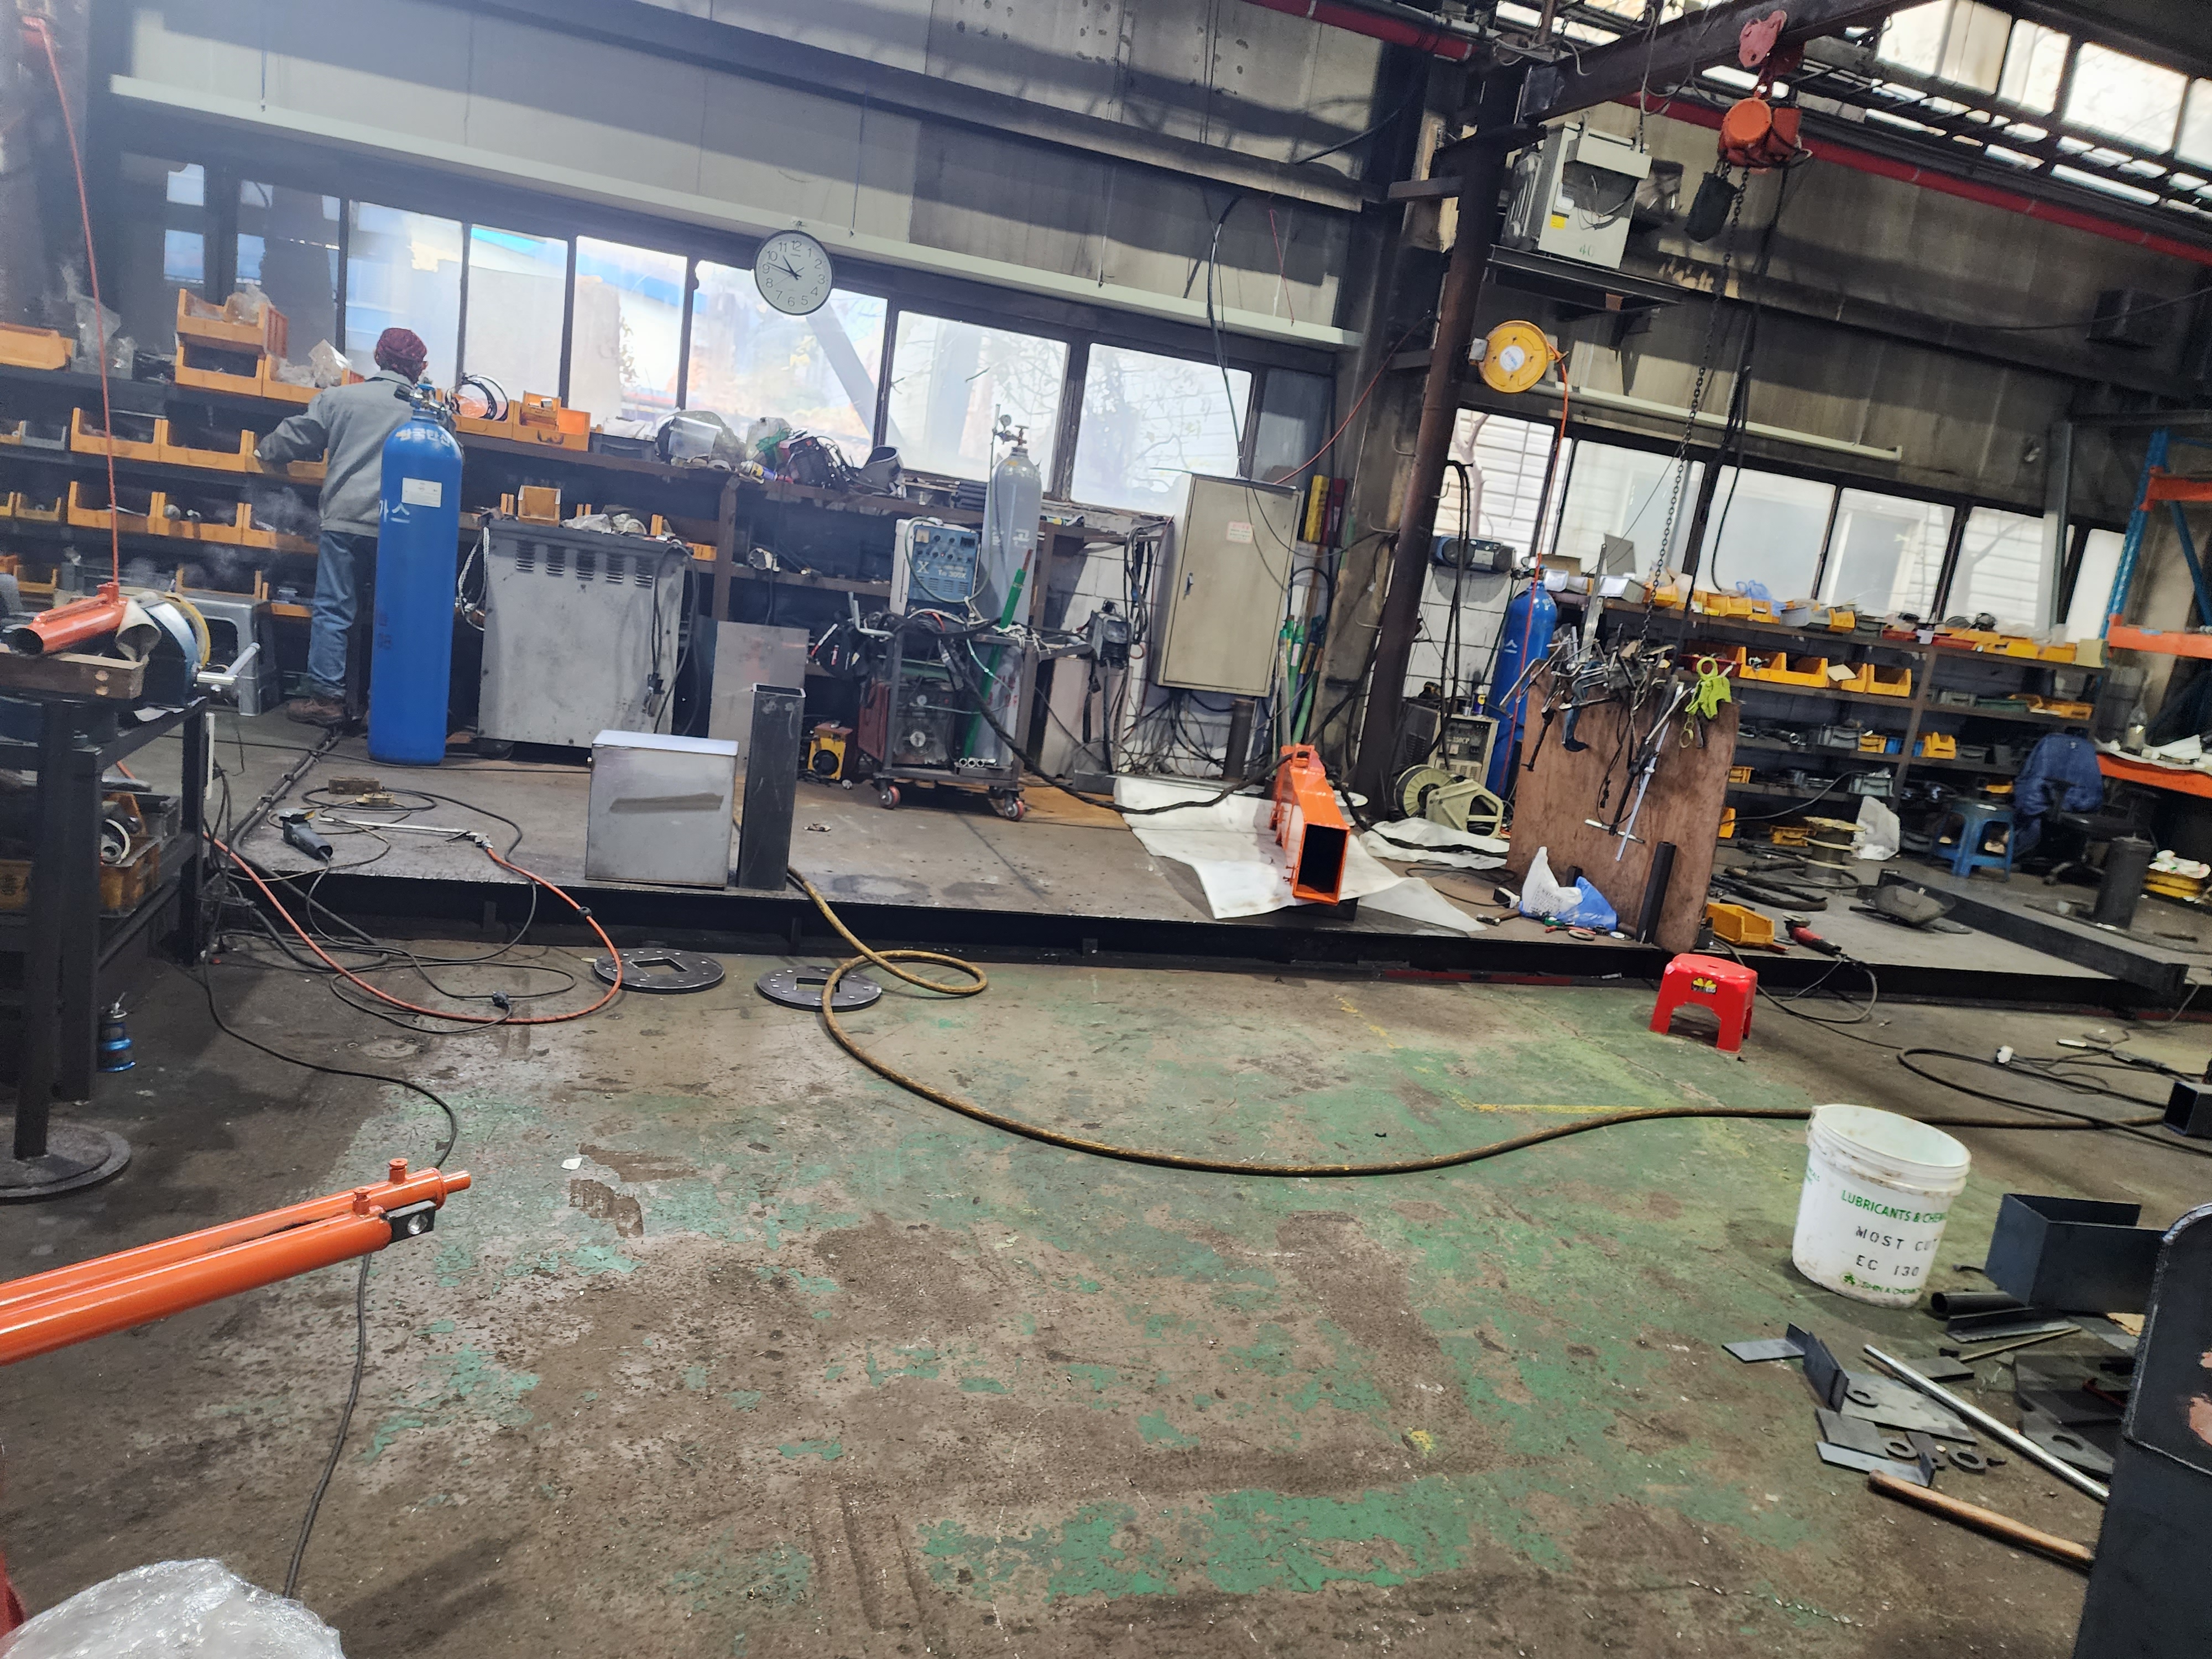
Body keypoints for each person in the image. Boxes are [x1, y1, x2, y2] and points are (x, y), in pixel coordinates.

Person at [257, 327, 429, 726]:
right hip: (402, 528)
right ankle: (386, 705)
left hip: (346, 521)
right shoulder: (427, 414)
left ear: (378, 357)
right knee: (396, 615)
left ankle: (328, 701)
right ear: (420, 367)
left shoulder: (340, 399)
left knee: (334, 610)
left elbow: (293, 437)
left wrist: (265, 450)